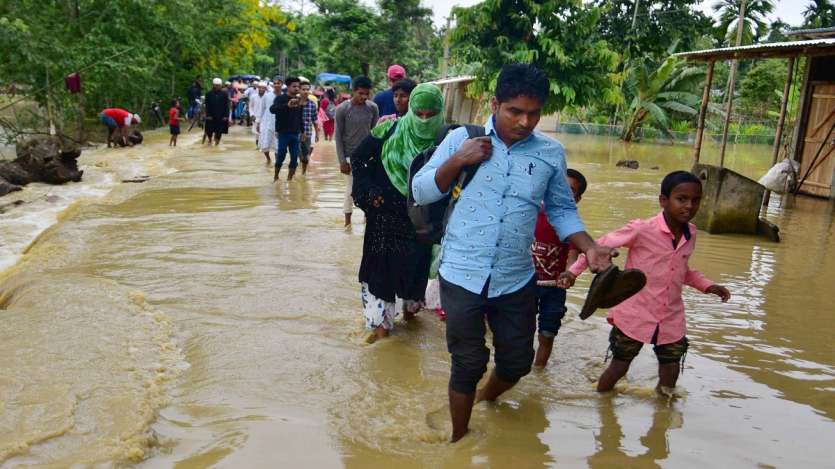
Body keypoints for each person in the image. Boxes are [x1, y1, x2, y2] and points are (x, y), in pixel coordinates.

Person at [411, 63, 616, 442]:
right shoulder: (461, 139)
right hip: (461, 272)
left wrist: (590, 246)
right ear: (495, 104)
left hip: (515, 276)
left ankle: (486, 399)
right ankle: (460, 440)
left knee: (518, 362)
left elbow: (560, 210)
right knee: (468, 363)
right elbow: (422, 192)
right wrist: (459, 159)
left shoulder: (550, 154)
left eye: (534, 113)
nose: (524, 122)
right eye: (514, 111)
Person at [560, 171, 731, 395]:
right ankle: (599, 401)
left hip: (670, 317)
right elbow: (596, 248)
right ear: (663, 200)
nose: (689, 206)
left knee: (670, 371)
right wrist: (572, 273)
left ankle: (662, 418)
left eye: (696, 200)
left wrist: (708, 286)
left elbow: (681, 270)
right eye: (681, 199)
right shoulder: (642, 229)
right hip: (635, 314)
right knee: (619, 366)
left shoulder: (691, 233)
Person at [351, 83, 445, 343]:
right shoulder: (388, 129)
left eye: (430, 115)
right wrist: (369, 194)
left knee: (413, 275)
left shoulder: (447, 140)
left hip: (422, 224)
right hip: (385, 218)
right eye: (419, 114)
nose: (424, 120)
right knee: (381, 274)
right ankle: (382, 334)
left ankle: (410, 318)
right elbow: (358, 160)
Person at [531, 169, 587, 368]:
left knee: (547, 334)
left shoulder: (572, 226)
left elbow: (573, 255)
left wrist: (569, 273)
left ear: (577, 199)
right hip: (524, 284)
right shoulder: (531, 213)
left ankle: (538, 371)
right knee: (519, 330)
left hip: (554, 288)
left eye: (570, 190)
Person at [335, 76, 379, 227]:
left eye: (367, 94)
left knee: (369, 188)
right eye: (360, 93)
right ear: (353, 91)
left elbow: (375, 133)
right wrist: (342, 161)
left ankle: (368, 219)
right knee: (350, 190)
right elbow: (338, 137)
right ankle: (347, 223)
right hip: (350, 156)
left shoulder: (372, 108)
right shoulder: (342, 109)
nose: (364, 97)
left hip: (369, 156)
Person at [270, 76, 304, 181]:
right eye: (294, 86)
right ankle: (276, 177)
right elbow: (272, 109)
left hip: (295, 133)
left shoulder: (299, 100)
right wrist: (287, 105)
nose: (297, 89)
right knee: (281, 155)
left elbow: (300, 116)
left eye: (298, 87)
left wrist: (303, 131)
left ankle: (289, 180)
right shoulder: (280, 98)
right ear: (288, 87)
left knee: (294, 157)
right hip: (283, 133)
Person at [299, 80, 319, 175]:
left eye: (307, 89)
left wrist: (317, 134)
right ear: (299, 90)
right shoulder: (294, 102)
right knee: (296, 154)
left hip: (307, 133)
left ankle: (303, 173)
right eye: (303, 89)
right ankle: (294, 172)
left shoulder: (312, 104)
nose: (306, 91)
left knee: (305, 157)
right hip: (295, 133)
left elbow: (315, 120)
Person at [257, 78, 280, 163]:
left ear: (282, 84)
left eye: (279, 83)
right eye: (275, 83)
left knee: (278, 146)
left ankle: (277, 162)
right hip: (267, 123)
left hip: (280, 124)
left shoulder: (284, 96)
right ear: (273, 85)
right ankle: (268, 159)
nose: (277, 85)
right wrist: (258, 123)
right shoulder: (267, 96)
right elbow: (262, 110)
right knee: (265, 144)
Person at [204, 78, 230, 146]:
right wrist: (207, 115)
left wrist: (226, 116)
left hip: (221, 116)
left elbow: (226, 105)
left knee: (219, 131)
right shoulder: (208, 94)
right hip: (211, 115)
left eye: (218, 85)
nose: (217, 87)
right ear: (213, 85)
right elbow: (207, 105)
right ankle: (209, 140)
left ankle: (217, 143)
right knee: (209, 130)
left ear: (221, 85)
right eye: (216, 85)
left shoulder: (224, 94)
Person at [249, 81, 268, 147]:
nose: (261, 89)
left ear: (265, 89)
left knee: (263, 132)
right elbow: (250, 106)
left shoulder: (267, 97)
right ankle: (258, 146)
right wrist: (252, 115)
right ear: (258, 88)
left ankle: (262, 146)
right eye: (260, 88)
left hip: (264, 118)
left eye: (263, 88)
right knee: (257, 133)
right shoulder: (253, 97)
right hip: (255, 117)